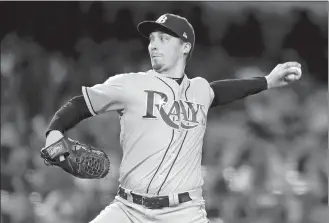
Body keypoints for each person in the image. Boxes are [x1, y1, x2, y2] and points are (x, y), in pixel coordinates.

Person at [43, 13, 302, 223]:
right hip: (129, 209)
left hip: (184, 213)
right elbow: (79, 105)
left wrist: (267, 81)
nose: (153, 44)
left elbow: (223, 91)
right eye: (152, 39)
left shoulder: (201, 90)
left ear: (185, 46)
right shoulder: (130, 84)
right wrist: (54, 131)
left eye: (164, 39)